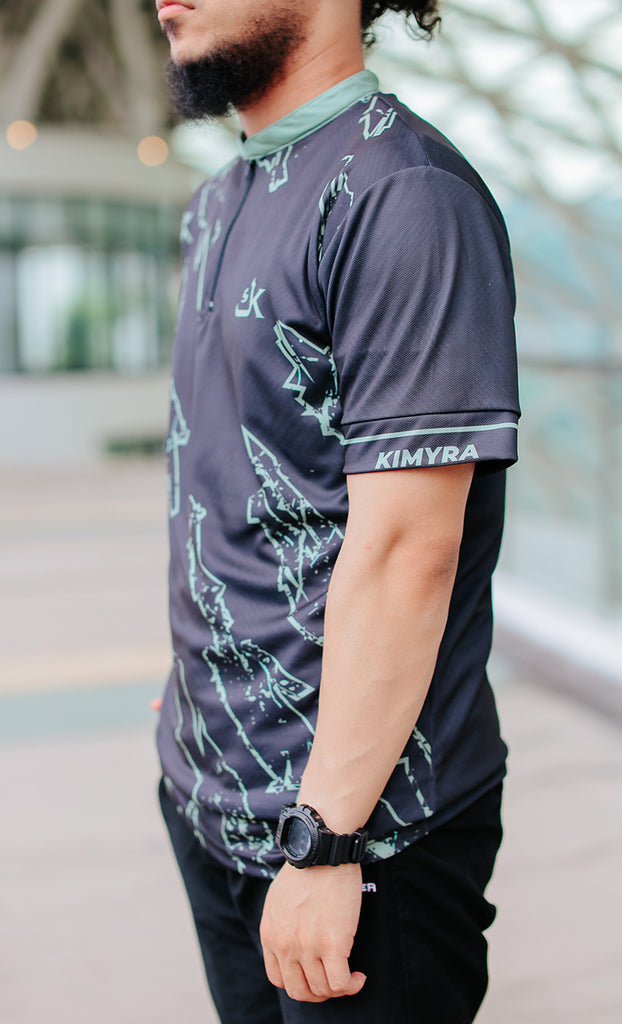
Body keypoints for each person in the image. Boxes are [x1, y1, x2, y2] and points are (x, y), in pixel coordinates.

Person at [154, 2, 520, 1022]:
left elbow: (408, 551)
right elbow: (227, 473)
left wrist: (325, 841)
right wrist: (193, 696)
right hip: (209, 792)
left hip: (359, 839)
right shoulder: (220, 196)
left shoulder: (404, 193)